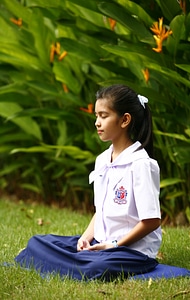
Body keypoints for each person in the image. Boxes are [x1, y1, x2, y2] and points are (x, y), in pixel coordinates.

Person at [15, 84, 162, 281]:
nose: (97, 122)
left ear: (125, 120)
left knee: (96, 266)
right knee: (37, 242)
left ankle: (67, 262)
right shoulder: (102, 160)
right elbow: (100, 211)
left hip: (130, 252)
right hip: (101, 244)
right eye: (96, 116)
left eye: (103, 116)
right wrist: (85, 238)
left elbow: (151, 221)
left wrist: (115, 245)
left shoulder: (141, 164)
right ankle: (73, 259)